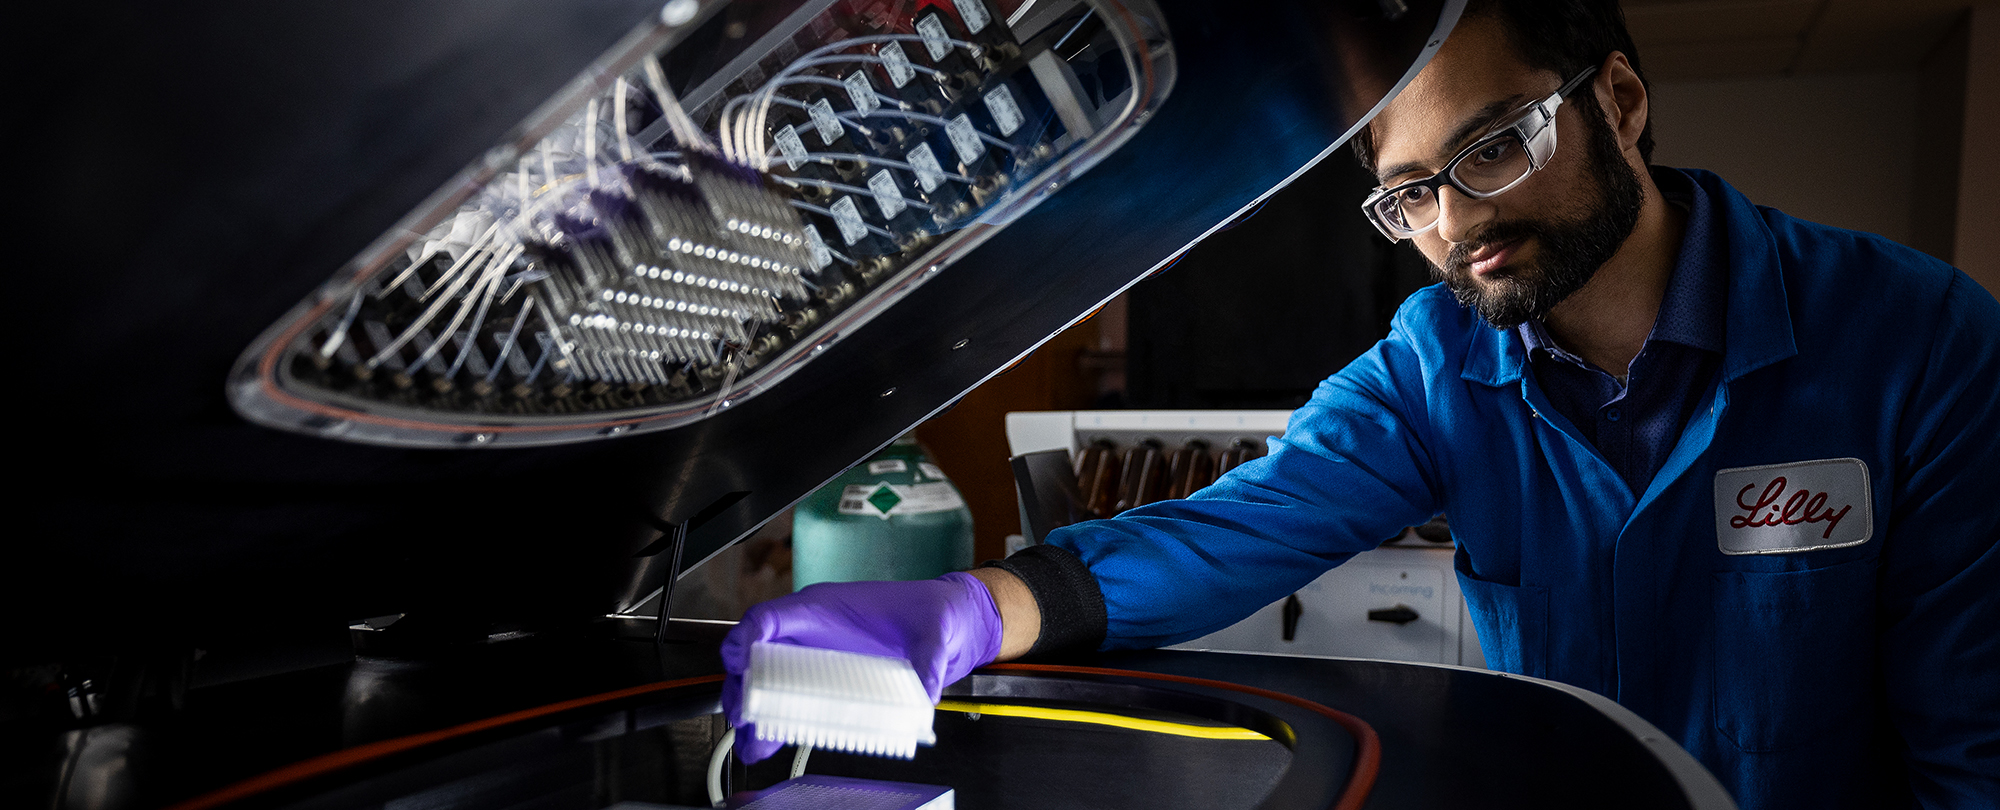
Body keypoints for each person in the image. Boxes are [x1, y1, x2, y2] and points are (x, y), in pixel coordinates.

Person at [720, 1, 2000, 806]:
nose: (1458, 224)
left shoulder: (1914, 338)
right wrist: (977, 606)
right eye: (1406, 196)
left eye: (1494, 146)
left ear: (1616, 102)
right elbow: (1247, 524)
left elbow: (1972, 738)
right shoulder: (1439, 357)